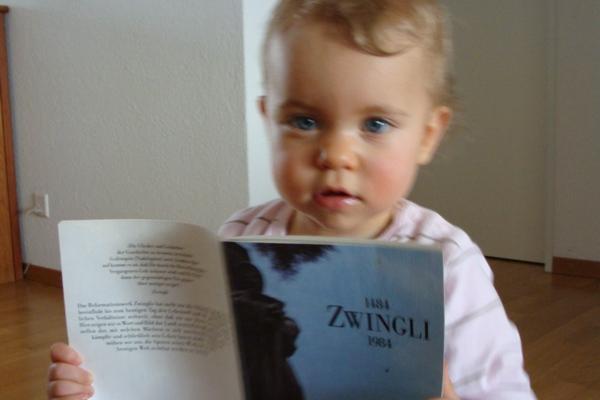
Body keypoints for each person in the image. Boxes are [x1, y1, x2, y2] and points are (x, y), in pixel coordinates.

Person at [47, 0, 536, 399]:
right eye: (304, 121)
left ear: (428, 135)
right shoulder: (241, 237)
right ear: (269, 121)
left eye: (376, 124)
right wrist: (100, 385)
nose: (336, 154)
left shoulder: (450, 265)